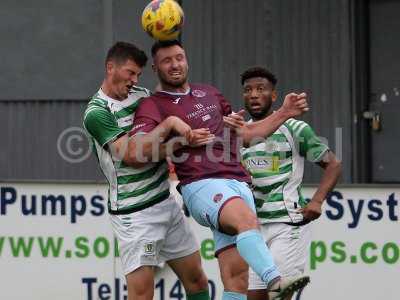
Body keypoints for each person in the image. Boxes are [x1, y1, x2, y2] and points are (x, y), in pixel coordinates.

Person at [131, 39, 310, 300]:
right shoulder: (152, 105)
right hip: (201, 184)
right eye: (166, 61)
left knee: (236, 279)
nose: (175, 64)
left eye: (179, 57)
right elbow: (138, 150)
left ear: (187, 60)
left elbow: (247, 135)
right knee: (247, 222)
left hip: (237, 182)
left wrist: (284, 111)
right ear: (155, 69)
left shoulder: (211, 93)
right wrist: (176, 133)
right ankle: (275, 281)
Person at [83, 41, 212, 300]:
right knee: (142, 294)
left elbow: (176, 125)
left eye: (138, 74)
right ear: (110, 68)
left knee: (197, 281)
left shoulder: (143, 96)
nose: (134, 79)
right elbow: (132, 156)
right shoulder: (97, 113)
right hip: (134, 213)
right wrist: (171, 127)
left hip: (165, 201)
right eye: (130, 72)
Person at [237, 66, 342, 300]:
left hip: (288, 224)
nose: (253, 94)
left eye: (260, 89)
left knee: (278, 296)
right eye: (248, 90)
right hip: (254, 227)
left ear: (274, 96)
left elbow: (333, 165)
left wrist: (317, 201)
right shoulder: (240, 133)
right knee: (254, 297)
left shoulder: (295, 128)